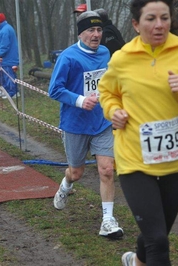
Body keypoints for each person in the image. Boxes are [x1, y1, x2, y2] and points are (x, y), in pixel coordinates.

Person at [97, 0, 178, 265]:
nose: (159, 25)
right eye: (151, 18)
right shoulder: (122, 59)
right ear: (136, 24)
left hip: (175, 161)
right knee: (158, 241)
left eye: (164, 18)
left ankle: (136, 261)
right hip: (134, 160)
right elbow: (107, 92)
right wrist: (113, 111)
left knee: (156, 234)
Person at [48, 11, 124, 239]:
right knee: (77, 172)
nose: (96, 34)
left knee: (107, 170)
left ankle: (108, 221)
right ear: (80, 33)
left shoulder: (105, 53)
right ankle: (66, 184)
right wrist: (81, 100)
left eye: (99, 30)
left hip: (101, 122)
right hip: (75, 124)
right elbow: (54, 89)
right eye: (90, 30)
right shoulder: (68, 57)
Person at [0, 13, 19, 98]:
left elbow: (4, 45)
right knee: (11, 74)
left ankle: (12, 92)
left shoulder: (4, 30)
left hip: (8, 58)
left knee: (8, 75)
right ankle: (13, 91)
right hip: (11, 57)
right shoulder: (8, 28)